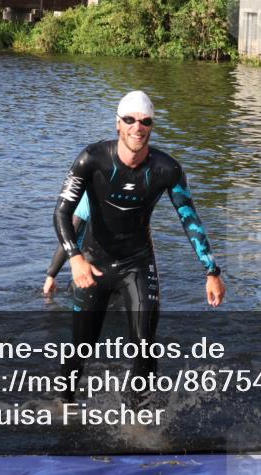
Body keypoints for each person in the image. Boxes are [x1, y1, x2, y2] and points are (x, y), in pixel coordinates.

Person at [52, 90, 225, 402]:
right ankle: (64, 405)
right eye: (130, 120)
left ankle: (137, 416)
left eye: (145, 121)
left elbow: (189, 218)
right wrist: (75, 258)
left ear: (152, 126)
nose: (137, 127)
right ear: (118, 123)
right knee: (81, 346)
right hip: (93, 262)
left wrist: (211, 271)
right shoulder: (92, 159)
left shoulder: (167, 169)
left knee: (145, 344)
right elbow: (62, 213)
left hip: (137, 262)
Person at [43, 195, 90, 295]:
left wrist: (51, 275)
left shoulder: (90, 196)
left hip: (87, 275)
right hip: (120, 271)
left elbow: (69, 236)